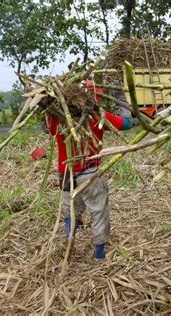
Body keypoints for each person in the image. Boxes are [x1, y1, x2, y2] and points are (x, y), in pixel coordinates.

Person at [47, 81, 132, 260]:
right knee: (99, 213)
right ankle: (99, 255)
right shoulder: (97, 116)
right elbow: (127, 124)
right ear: (96, 98)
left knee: (71, 210)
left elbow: (48, 128)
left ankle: (70, 239)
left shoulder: (57, 116)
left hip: (66, 175)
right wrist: (122, 100)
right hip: (90, 174)